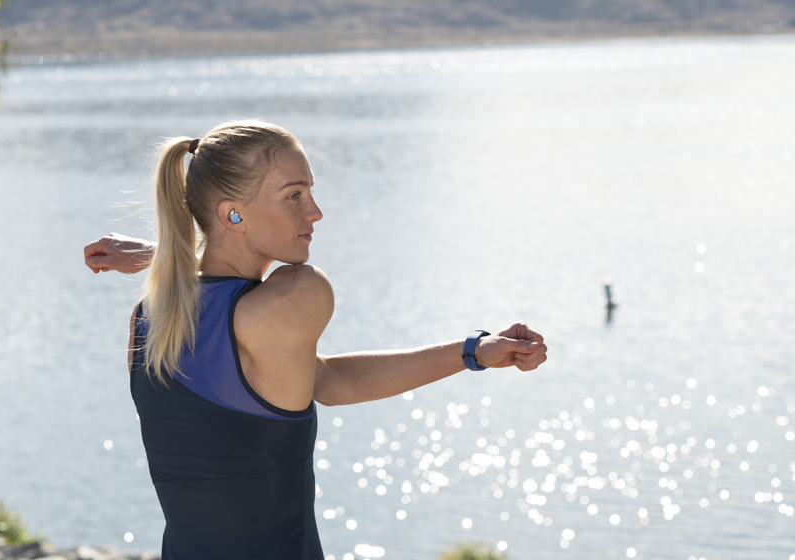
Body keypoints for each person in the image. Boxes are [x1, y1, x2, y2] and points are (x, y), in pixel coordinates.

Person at [83, 120, 547, 560]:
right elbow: (327, 381)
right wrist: (163, 254)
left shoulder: (148, 319)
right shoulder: (297, 293)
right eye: (294, 195)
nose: (315, 212)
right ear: (233, 212)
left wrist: (473, 351)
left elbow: (317, 378)